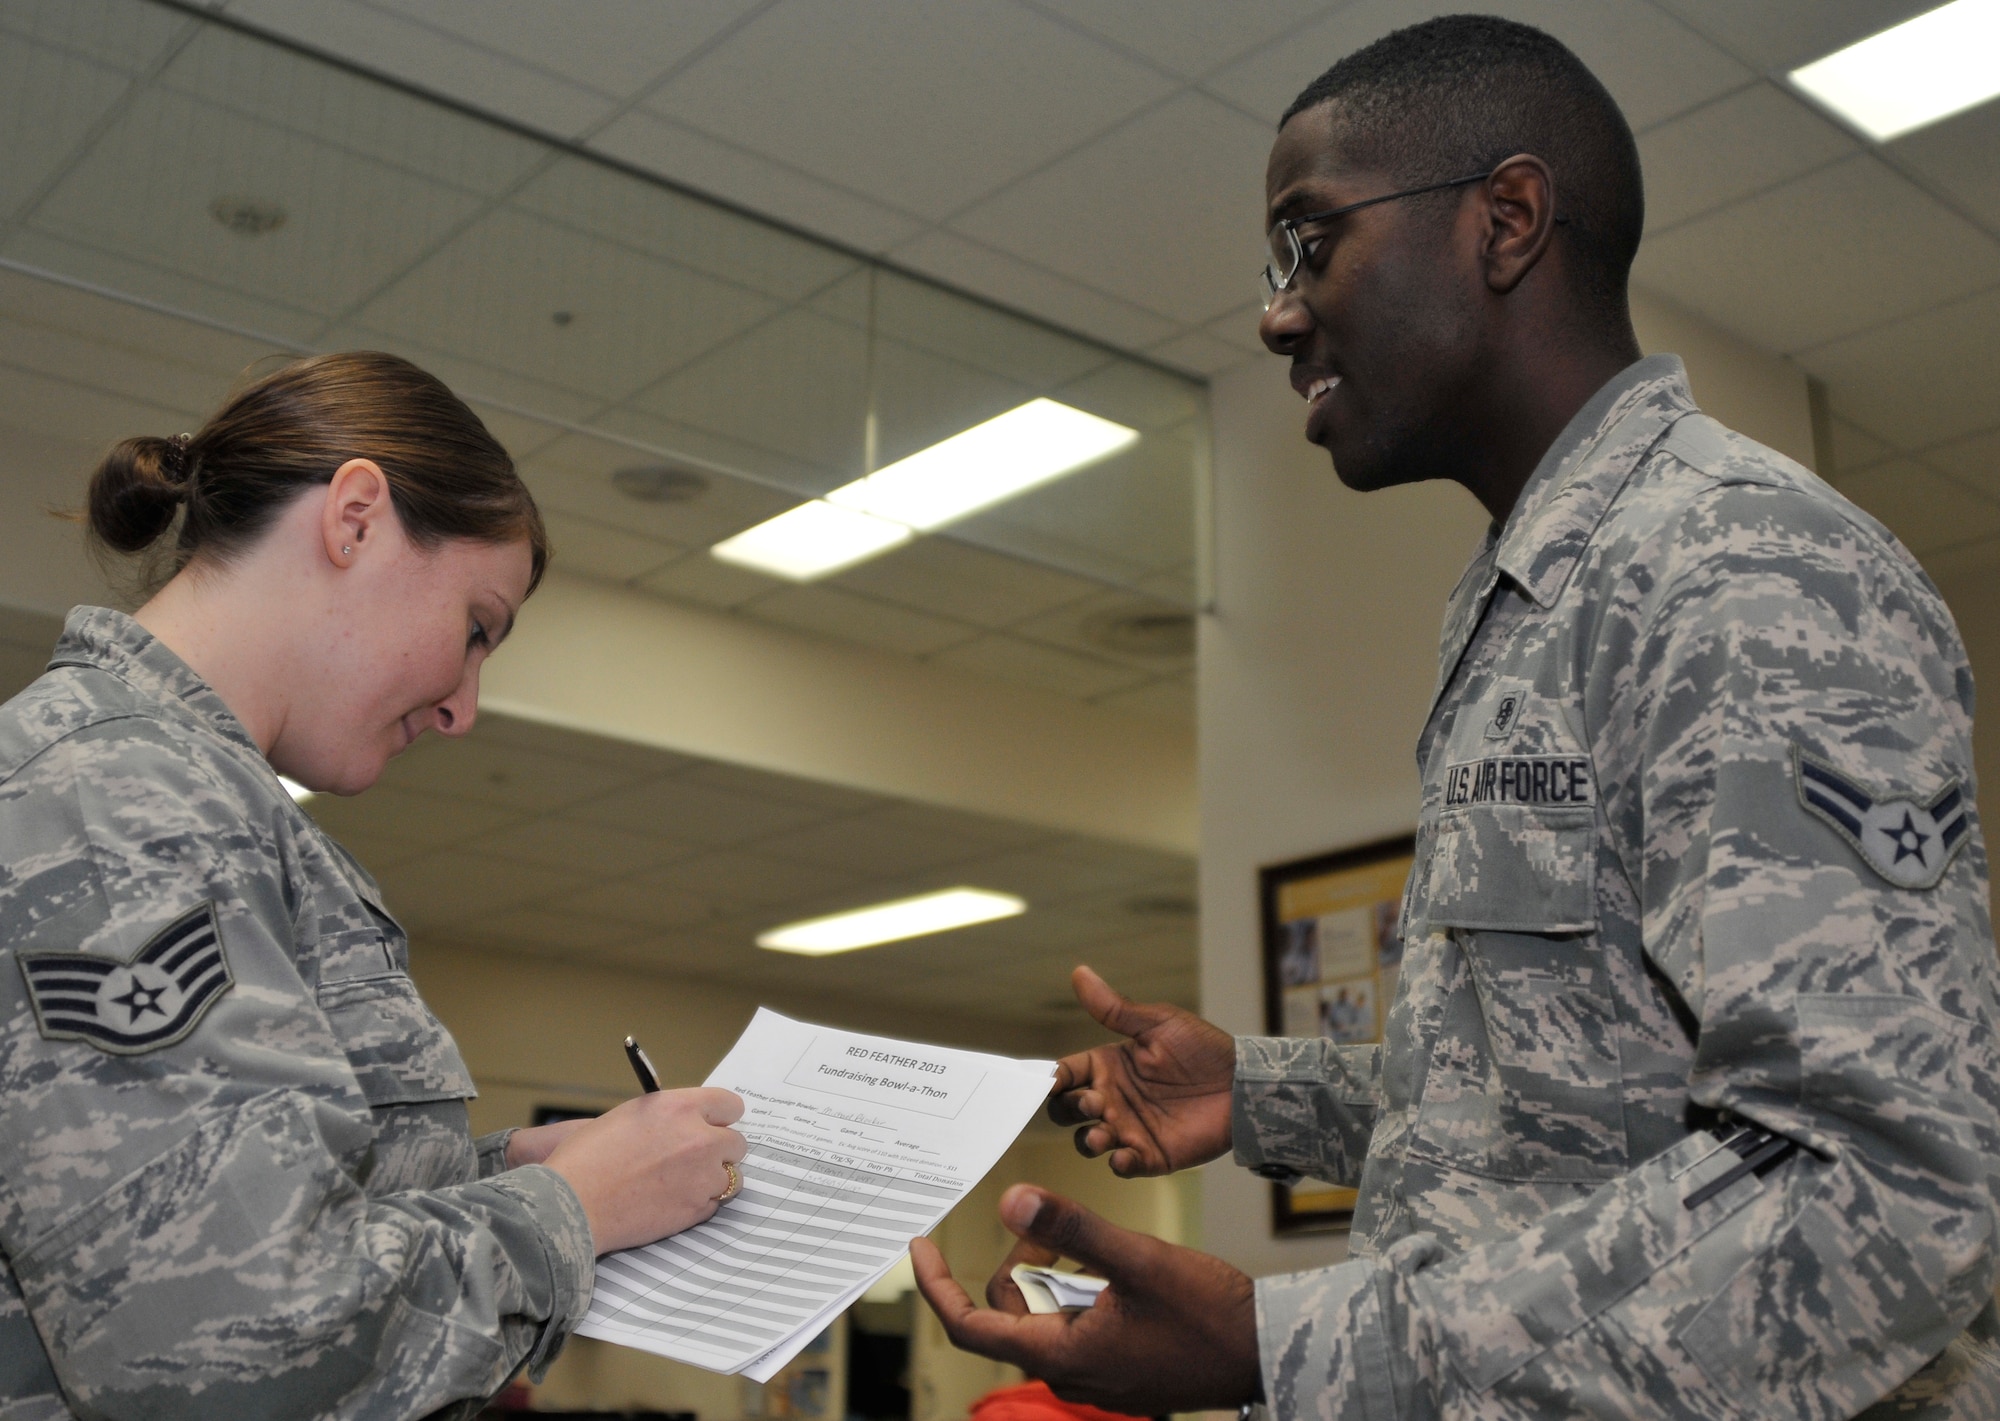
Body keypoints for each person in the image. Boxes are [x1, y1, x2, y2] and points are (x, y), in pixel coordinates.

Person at [911, 17, 2000, 1420]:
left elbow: (1879, 1192)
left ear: (1507, 220)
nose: (1276, 312)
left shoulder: (1743, 569)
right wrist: (1261, 1093)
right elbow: (1561, 1116)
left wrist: (1286, 1348)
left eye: (1310, 243)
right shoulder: (1525, 596)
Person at [0, 351, 749, 1419]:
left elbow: (225, 1203)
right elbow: (221, 1352)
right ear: (353, 519)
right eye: (476, 627)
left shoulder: (191, 797)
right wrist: (569, 1209)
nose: (464, 708)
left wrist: (497, 1165)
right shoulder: (121, 800)